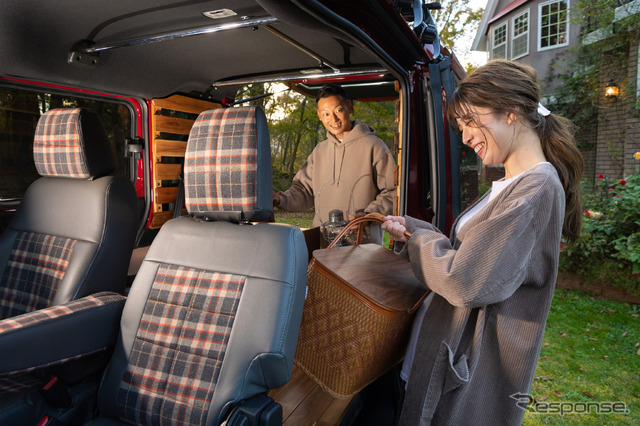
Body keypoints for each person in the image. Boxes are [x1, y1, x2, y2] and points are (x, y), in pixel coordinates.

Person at [381, 59, 583, 425]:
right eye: (460, 126)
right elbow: (471, 254)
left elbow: (465, 280)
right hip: (445, 353)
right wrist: (415, 230)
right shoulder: (512, 183)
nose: (465, 135)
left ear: (511, 111)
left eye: (470, 121)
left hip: (470, 374)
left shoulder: (536, 188)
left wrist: (418, 244)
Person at [273, 84, 396, 244]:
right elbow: (303, 191)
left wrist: (368, 215)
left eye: (338, 110)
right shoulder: (319, 151)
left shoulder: (374, 146)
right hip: (323, 245)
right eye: (326, 114)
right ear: (319, 115)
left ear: (349, 107)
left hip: (362, 245)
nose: (333, 119)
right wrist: (279, 199)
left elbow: (393, 192)